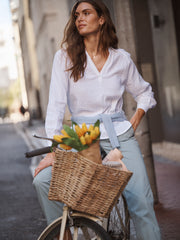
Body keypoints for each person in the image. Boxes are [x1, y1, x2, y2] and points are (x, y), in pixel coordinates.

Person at [33, 0, 161, 239]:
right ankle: (64, 236)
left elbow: (145, 92)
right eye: (77, 14)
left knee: (142, 202)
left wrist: (134, 120)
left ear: (101, 19)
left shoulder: (120, 59)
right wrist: (54, 151)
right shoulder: (65, 58)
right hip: (80, 137)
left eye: (87, 13)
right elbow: (56, 107)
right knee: (43, 181)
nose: (80, 18)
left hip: (118, 135)